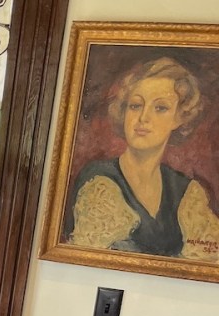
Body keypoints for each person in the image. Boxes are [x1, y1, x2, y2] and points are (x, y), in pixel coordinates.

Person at [64, 57, 219, 261]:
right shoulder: (99, 181)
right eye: (135, 106)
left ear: (180, 118)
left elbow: (208, 261)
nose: (143, 118)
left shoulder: (186, 191)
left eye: (160, 108)